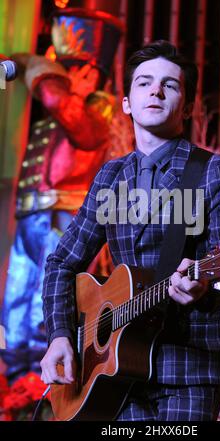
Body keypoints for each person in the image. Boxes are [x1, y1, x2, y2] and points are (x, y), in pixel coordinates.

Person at [40, 40, 220, 421]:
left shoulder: (216, 171)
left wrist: (205, 288)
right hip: (111, 370)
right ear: (126, 102)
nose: (156, 90)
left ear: (187, 107)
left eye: (170, 85)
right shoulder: (110, 177)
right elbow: (60, 263)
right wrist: (59, 335)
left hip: (188, 366)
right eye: (144, 83)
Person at [0, 8, 124, 380]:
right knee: (15, 300)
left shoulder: (97, 107)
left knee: (46, 302)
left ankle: (40, 381)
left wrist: (34, 65)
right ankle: (12, 378)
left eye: (68, 69)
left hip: (64, 215)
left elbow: (60, 104)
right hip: (31, 214)